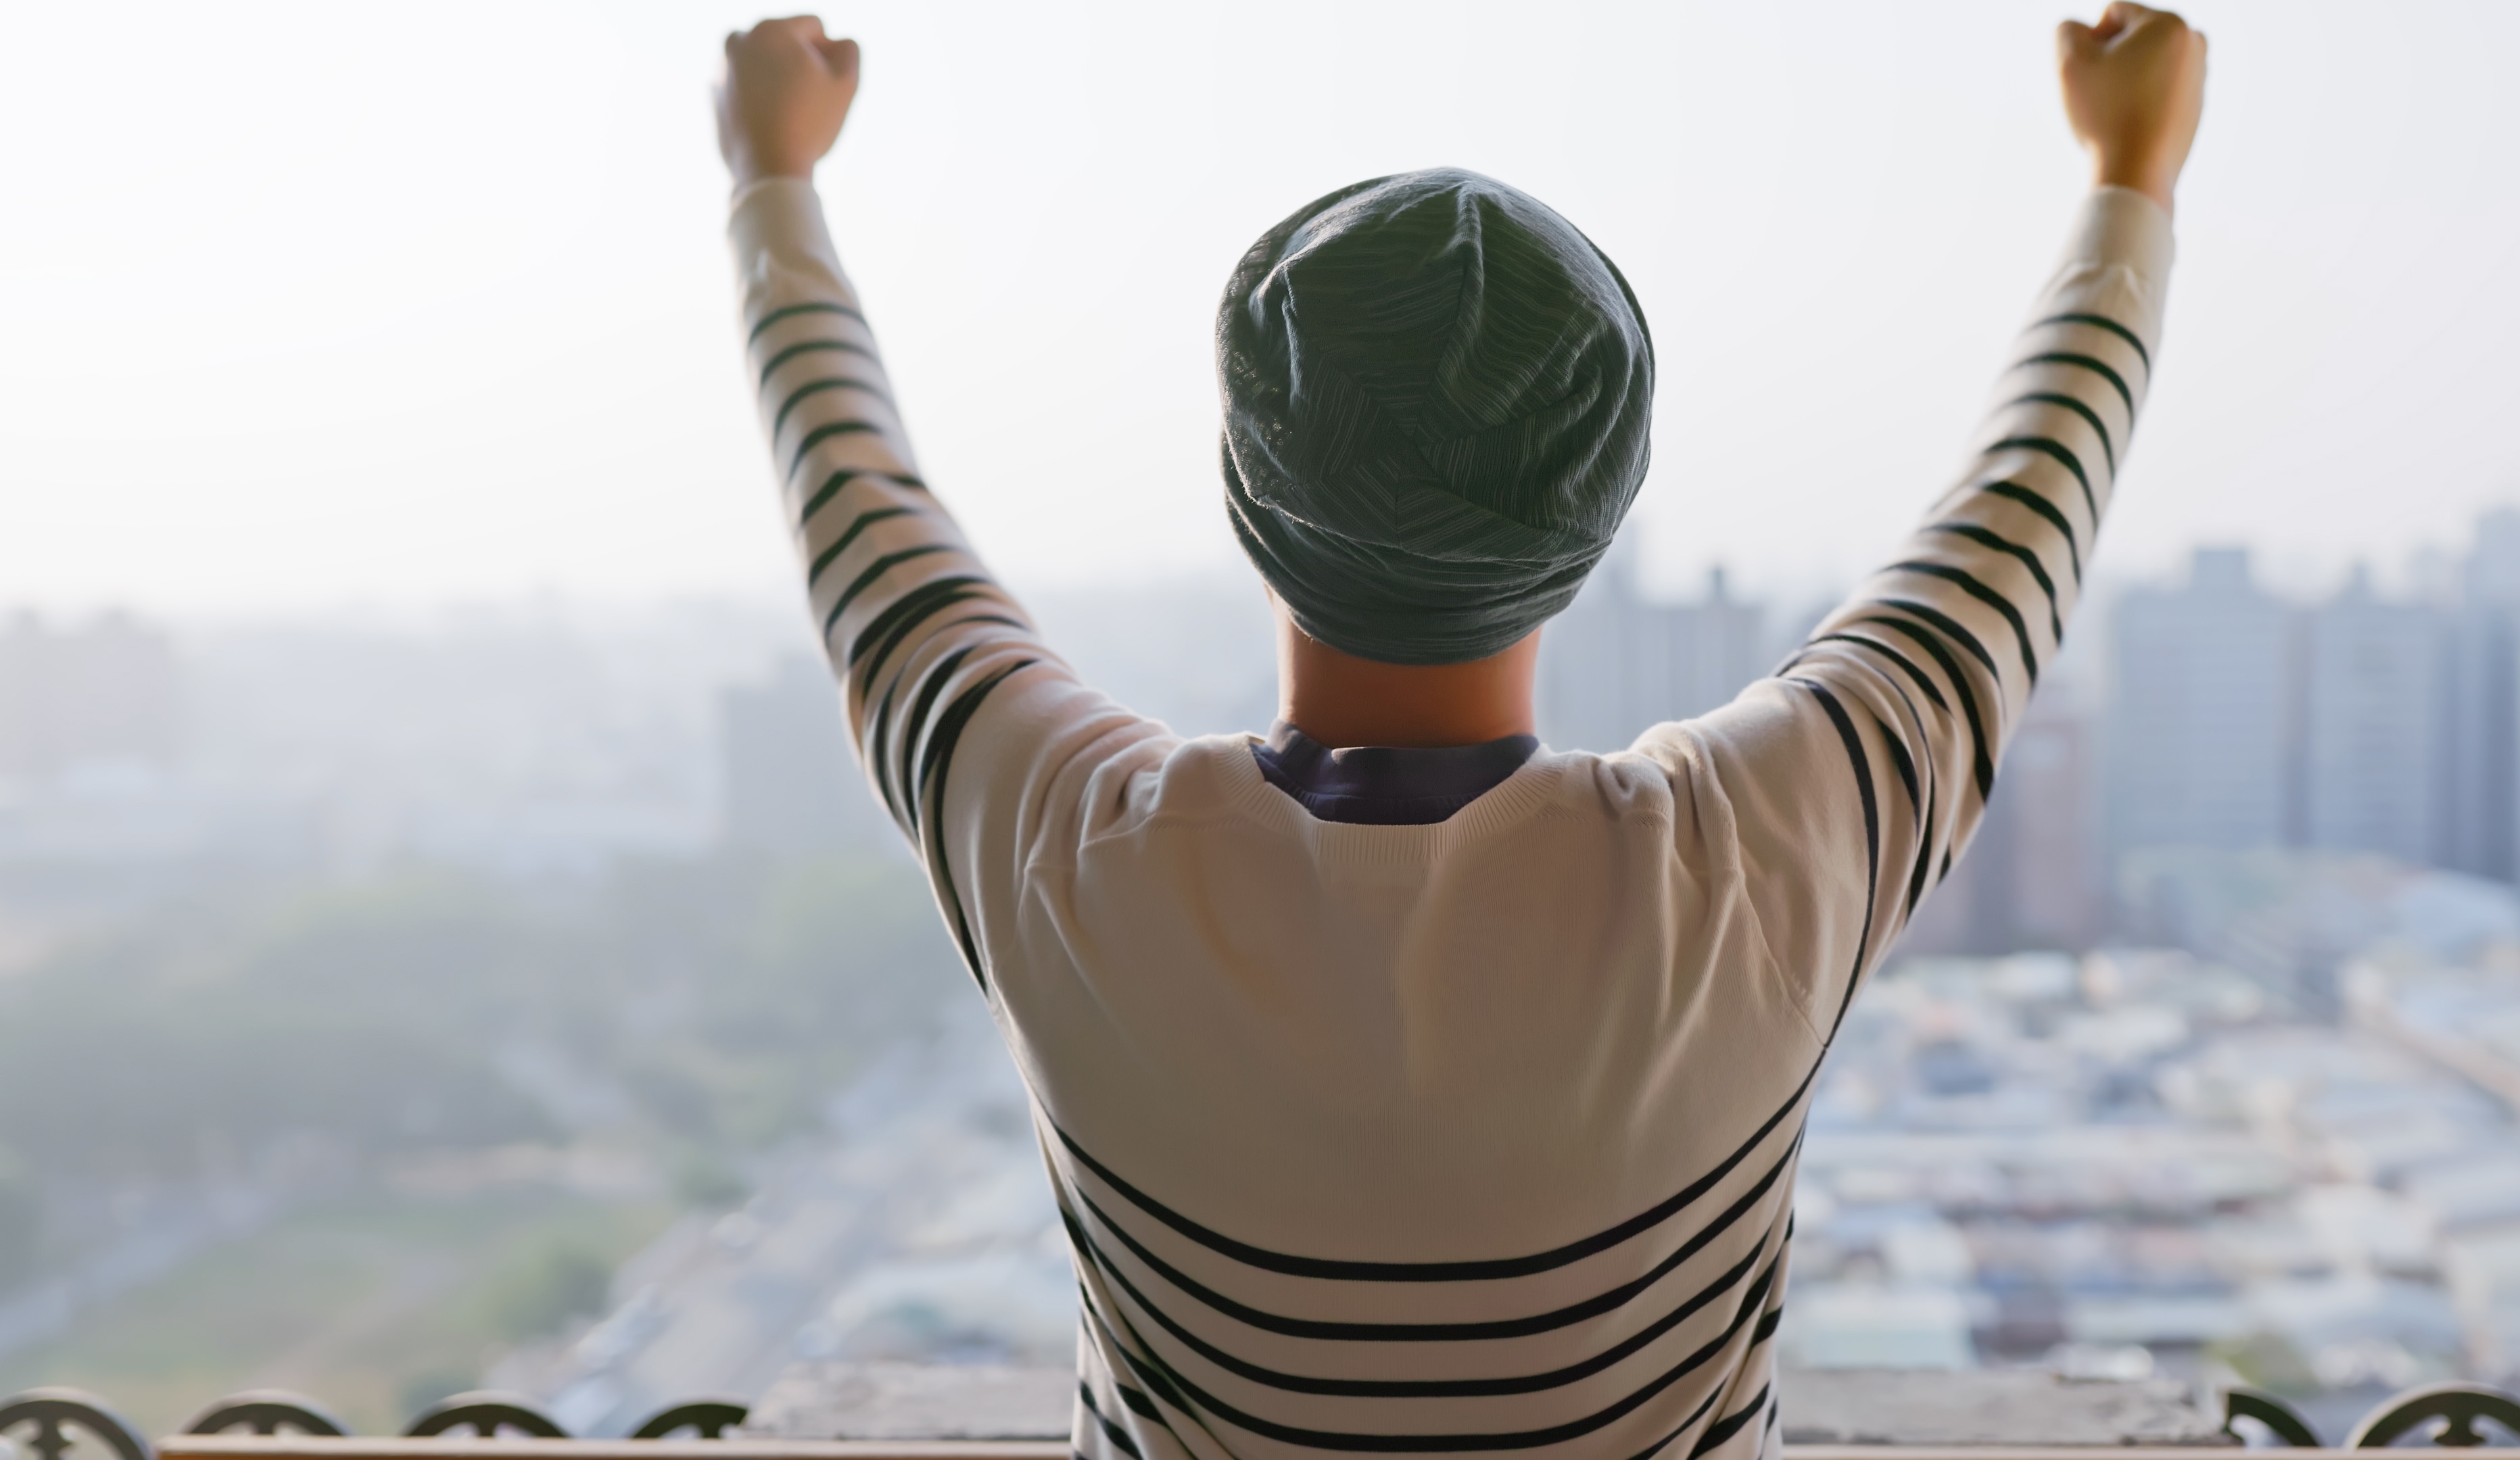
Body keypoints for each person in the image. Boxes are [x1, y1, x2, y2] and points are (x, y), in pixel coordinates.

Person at [715, 8, 2202, 1455]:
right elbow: (2022, 509)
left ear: (1245, 493)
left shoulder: (1069, 854)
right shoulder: (1753, 862)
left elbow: (858, 508)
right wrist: (2129, 174)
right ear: (1600, 510)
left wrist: (771, 177)